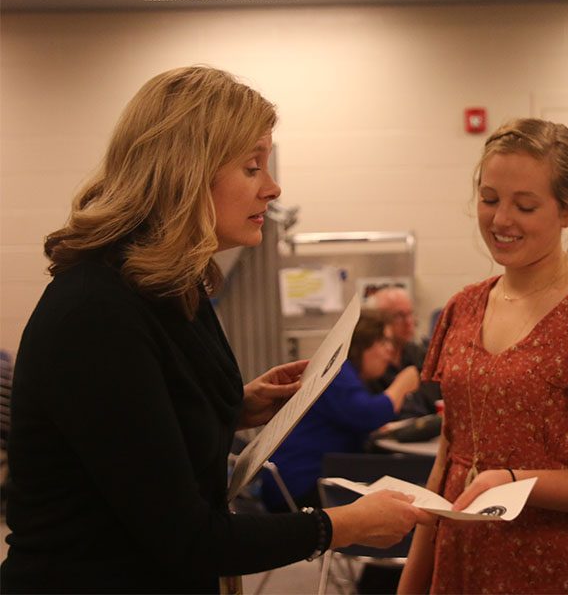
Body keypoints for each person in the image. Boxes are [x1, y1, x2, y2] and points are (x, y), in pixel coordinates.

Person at [0, 66, 430, 594]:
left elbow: (141, 437)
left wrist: (235, 405)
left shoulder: (175, 288)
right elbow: (188, 536)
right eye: (252, 167)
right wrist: (342, 525)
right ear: (186, 172)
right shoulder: (96, 312)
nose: (272, 188)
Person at [397, 118, 568, 594]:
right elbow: (449, 460)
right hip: (462, 563)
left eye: (524, 205)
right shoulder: (464, 306)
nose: (501, 220)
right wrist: (413, 581)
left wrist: (515, 481)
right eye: (488, 200)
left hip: (557, 567)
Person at [261, 309, 420, 512]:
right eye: (384, 341)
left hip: (302, 480)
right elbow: (368, 414)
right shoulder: (339, 374)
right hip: (300, 488)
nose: (390, 352)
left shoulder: (346, 374)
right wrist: (402, 384)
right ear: (362, 343)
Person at [367, 287, 443, 419]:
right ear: (378, 322)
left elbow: (435, 403)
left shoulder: (422, 356)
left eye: (410, 314)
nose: (409, 322)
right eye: (399, 316)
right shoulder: (368, 364)